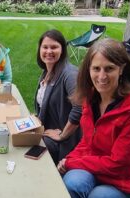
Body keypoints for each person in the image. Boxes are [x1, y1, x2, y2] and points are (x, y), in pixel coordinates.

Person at [57, 38, 130, 198]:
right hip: (97, 171)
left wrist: (72, 164)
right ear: (88, 70)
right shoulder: (92, 97)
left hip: (124, 187)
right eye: (96, 69)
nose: (102, 76)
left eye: (109, 68)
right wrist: (70, 160)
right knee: (69, 188)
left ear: (121, 69)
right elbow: (87, 142)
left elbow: (117, 164)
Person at [34, 30, 81, 165]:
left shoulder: (70, 74)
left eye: (54, 47)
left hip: (66, 141)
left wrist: (62, 135)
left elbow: (80, 108)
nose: (49, 51)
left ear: (62, 50)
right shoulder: (47, 72)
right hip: (48, 130)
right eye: (45, 47)